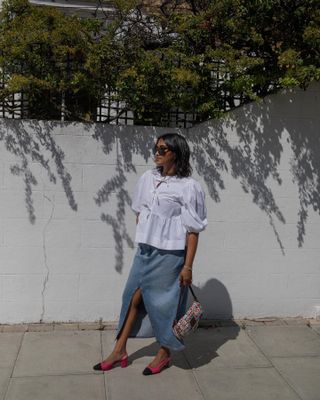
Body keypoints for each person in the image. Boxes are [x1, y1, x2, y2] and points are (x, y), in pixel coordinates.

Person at [93, 133, 207, 375]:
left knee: (164, 305)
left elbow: (193, 231)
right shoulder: (147, 178)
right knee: (132, 297)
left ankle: (164, 353)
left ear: (176, 153)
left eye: (163, 149)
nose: (156, 152)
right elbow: (141, 212)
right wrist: (148, 235)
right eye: (155, 148)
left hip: (171, 255)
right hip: (145, 250)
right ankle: (119, 349)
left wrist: (187, 267)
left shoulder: (189, 186)